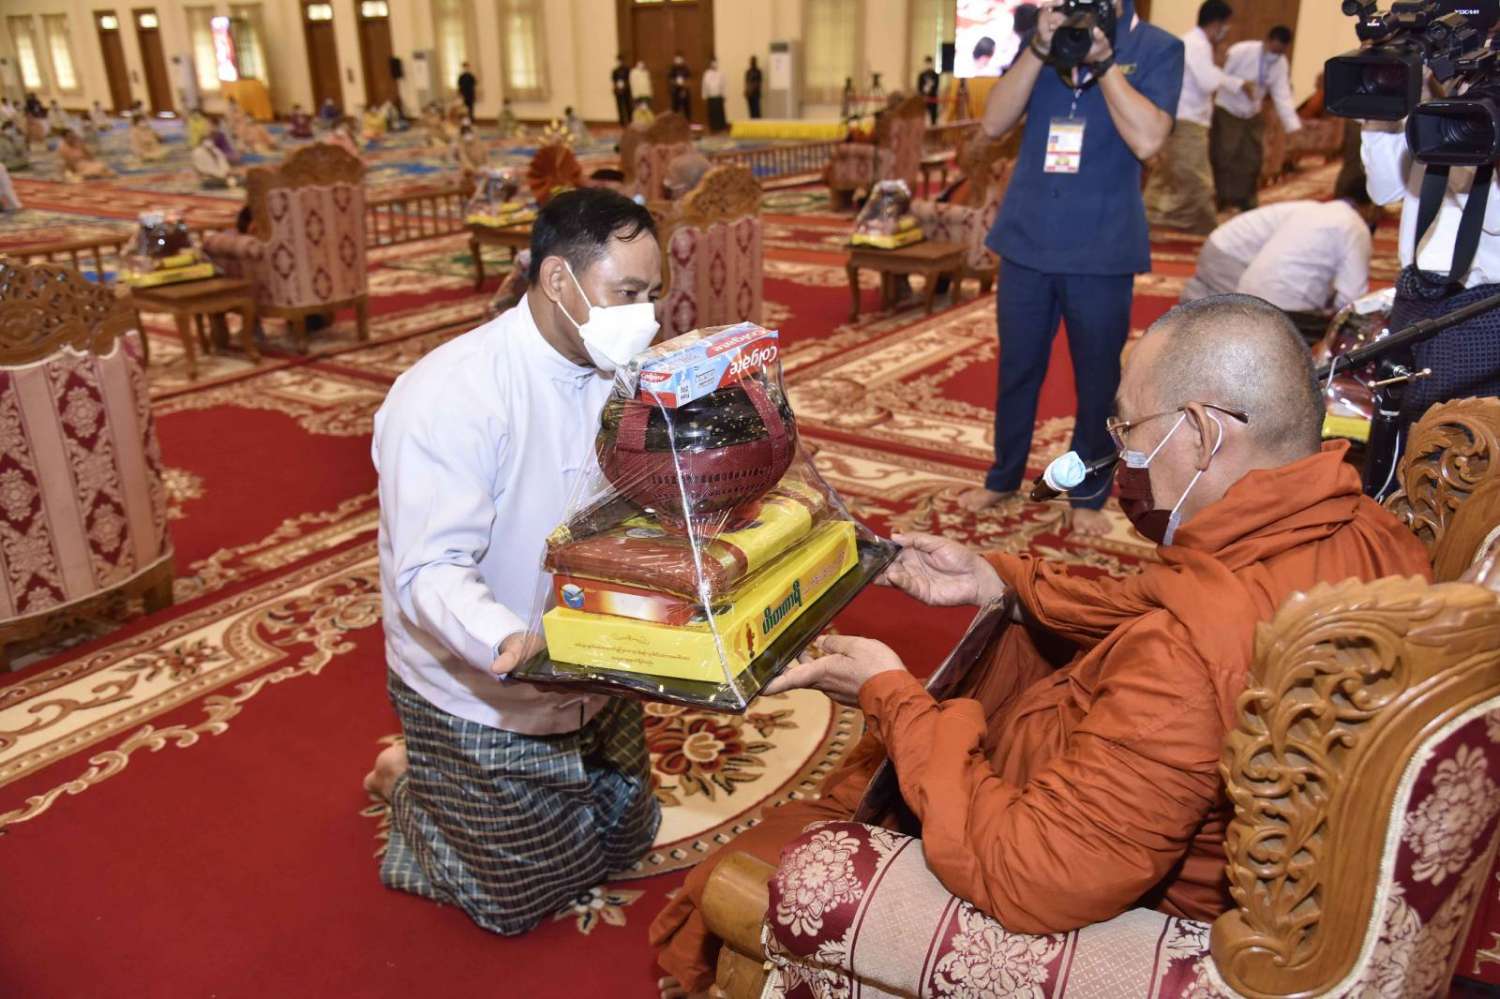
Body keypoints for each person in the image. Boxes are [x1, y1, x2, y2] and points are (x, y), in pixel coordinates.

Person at [650, 295, 1433, 996]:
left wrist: (891, 695)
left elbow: (1028, 875)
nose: (1118, 450)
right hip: (1219, 825)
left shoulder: (1185, 661)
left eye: (1128, 428)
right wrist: (998, 579)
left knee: (752, 868)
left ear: (1199, 432)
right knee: (1010, 649)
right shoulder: (1369, 527)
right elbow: (1161, 599)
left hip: (1090, 876)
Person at [364, 187, 664, 937]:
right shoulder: (450, 394)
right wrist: (510, 642)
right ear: (559, 280)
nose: (647, 315)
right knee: (517, 900)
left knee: (628, 839)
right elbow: (429, 570)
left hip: (592, 656)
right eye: (628, 293)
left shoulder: (619, 366)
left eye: (652, 294)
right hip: (486, 676)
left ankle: (454, 789)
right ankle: (410, 783)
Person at [959, 0, 1183, 537]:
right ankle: (1003, 475)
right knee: (1017, 369)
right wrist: (1039, 47)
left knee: (1097, 380)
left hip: (1102, 247)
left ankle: (1087, 492)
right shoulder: (1043, 40)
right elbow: (994, 122)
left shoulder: (1157, 48)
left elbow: (1149, 139)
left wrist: (1104, 64)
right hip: (1026, 239)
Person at [1363, 111, 1500, 441]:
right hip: (1414, 292)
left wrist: (1469, 135)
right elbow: (1384, 190)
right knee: (1398, 429)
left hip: (1483, 309)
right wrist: (1383, 111)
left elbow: (1493, 218)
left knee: (1463, 442)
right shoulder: (1430, 92)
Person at [1180, 183, 1383, 335]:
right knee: (1230, 320)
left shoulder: (1319, 210)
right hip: (1232, 255)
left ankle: (1187, 321)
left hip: (1230, 252)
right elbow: (1352, 298)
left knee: (1235, 310)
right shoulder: (1354, 225)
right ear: (1373, 206)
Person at [1144, 1, 1247, 234]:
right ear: (1217, 24)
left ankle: (1148, 219)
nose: (1227, 30)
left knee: (1168, 175)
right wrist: (1234, 79)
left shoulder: (1195, 43)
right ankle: (1206, 230)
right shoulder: (1197, 45)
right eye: (1227, 25)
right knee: (1197, 179)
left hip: (1183, 118)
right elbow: (1208, 81)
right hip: (1186, 121)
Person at [1211, 25, 1300, 212]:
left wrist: (1293, 126)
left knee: (1252, 158)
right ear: (1267, 41)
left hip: (1252, 112)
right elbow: (1218, 76)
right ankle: (1222, 199)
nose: (1275, 55)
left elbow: (1282, 95)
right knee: (1225, 156)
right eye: (1273, 50)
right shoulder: (1241, 51)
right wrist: (1240, 84)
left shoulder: (1280, 63)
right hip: (1228, 109)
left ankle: (1246, 200)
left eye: (1280, 52)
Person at [702, 59, 726, 132]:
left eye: (715, 63)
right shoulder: (707, 74)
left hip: (718, 96)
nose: (714, 65)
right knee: (712, 113)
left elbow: (723, 85)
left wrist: (724, 95)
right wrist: (704, 95)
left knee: (719, 112)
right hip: (711, 96)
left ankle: (721, 127)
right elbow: (704, 85)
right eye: (713, 64)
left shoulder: (720, 73)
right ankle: (713, 127)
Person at [917, 55, 941, 125]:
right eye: (927, 63)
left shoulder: (935, 75)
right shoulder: (921, 75)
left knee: (933, 117)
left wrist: (930, 91)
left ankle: (934, 129)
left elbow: (936, 87)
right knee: (922, 116)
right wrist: (923, 94)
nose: (928, 65)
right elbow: (919, 87)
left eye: (929, 63)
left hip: (933, 97)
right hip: (923, 98)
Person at [612, 54, 633, 127]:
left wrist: (625, 86)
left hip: (626, 90)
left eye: (621, 60)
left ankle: (630, 121)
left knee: (628, 106)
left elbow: (630, 80)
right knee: (620, 107)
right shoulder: (615, 71)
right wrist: (617, 88)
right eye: (619, 60)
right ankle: (622, 123)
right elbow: (614, 81)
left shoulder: (628, 70)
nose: (620, 62)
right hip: (618, 91)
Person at [669, 53, 692, 119]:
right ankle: (675, 122)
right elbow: (670, 80)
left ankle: (688, 121)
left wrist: (684, 89)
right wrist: (675, 83)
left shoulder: (686, 68)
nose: (678, 60)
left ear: (682, 59)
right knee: (675, 109)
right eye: (677, 59)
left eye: (680, 59)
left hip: (685, 91)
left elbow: (688, 80)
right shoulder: (672, 69)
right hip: (675, 91)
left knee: (687, 109)